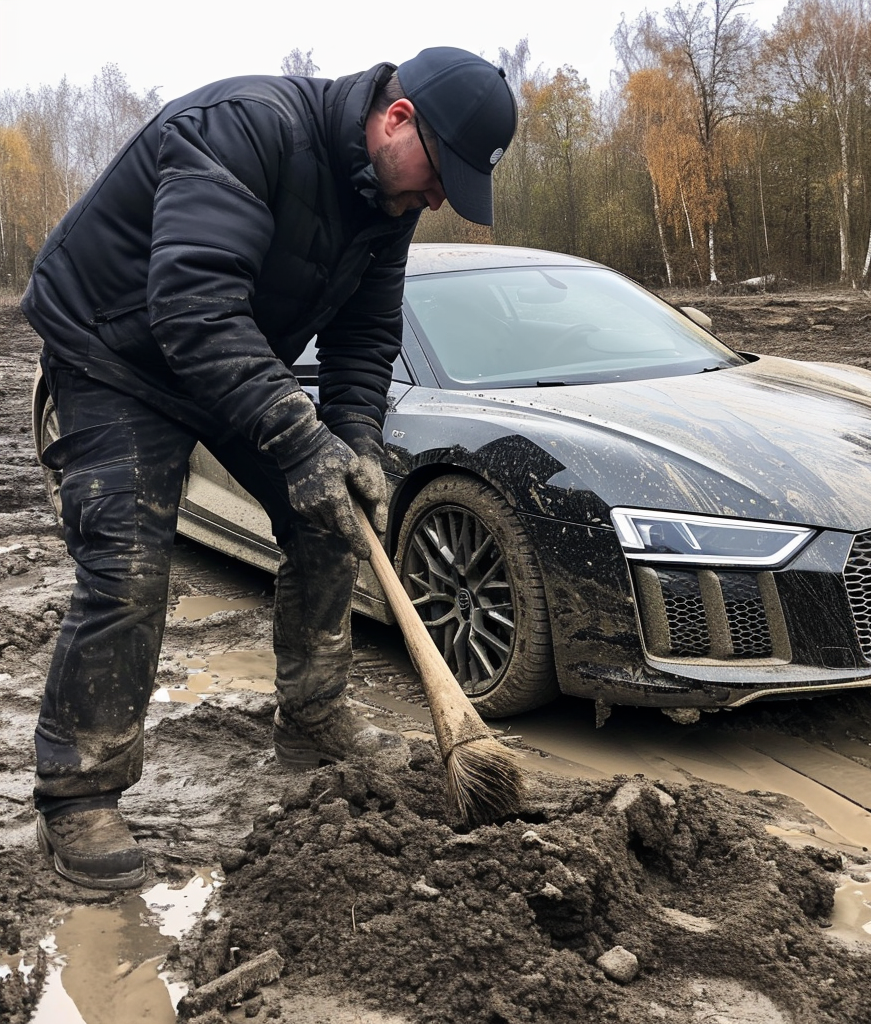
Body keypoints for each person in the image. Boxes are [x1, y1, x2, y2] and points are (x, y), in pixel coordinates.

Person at [20, 47, 518, 890]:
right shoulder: (245, 131)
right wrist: (298, 438)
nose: (438, 199)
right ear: (397, 120)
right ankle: (79, 794)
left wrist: (354, 439)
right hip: (115, 352)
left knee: (333, 517)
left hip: (227, 358)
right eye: (441, 174)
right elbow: (191, 307)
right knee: (130, 568)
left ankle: (313, 717)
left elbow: (365, 338)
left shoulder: (384, 202)